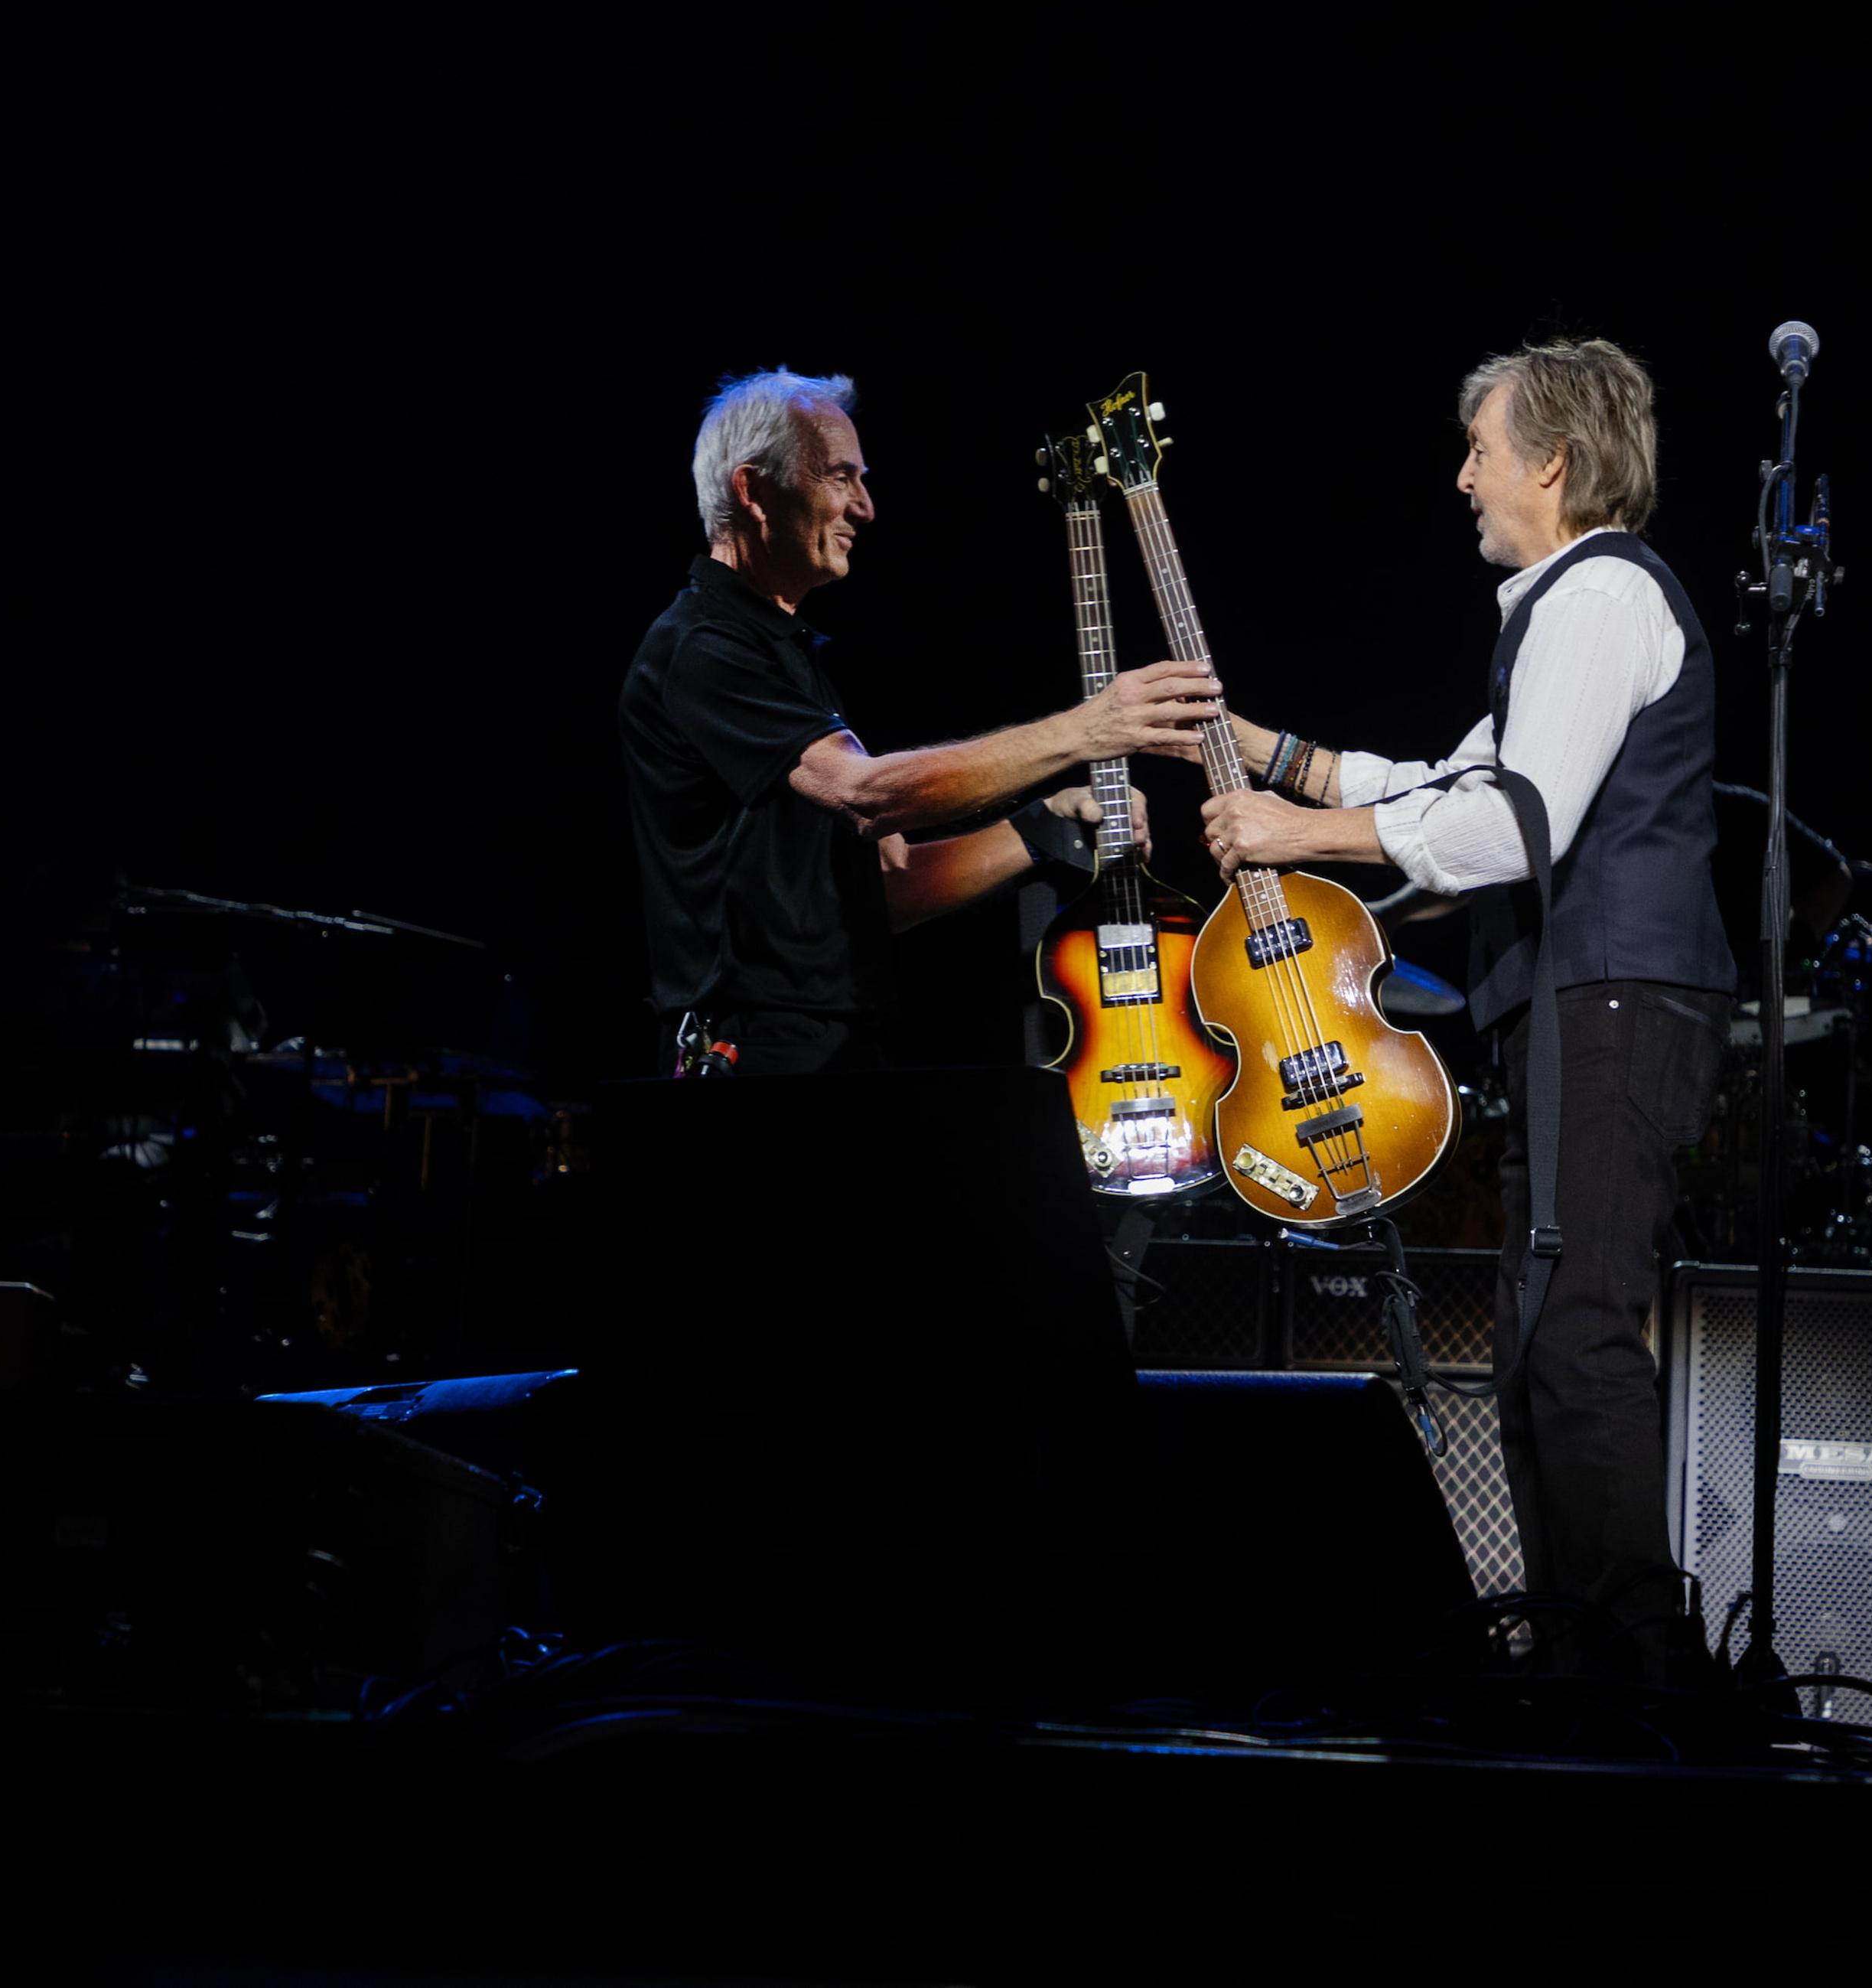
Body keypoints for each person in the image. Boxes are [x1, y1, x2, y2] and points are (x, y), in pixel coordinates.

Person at [1198, 339, 1736, 1670]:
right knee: (1536, 1346)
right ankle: (1576, 1666)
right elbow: (1449, 785)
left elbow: (1513, 825)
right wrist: (1273, 756)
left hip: (1613, 1001)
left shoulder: (1603, 596)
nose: (1463, 478)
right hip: (1577, 1000)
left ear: (1552, 463)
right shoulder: (1567, 606)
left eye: (1482, 451)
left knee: (1580, 1337)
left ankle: (1634, 1672)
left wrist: (1296, 835)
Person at [621, 369, 1219, 1075]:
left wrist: (1046, 826)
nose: (866, 508)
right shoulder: (704, 647)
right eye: (840, 477)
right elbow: (866, 793)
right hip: (752, 1051)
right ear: (753, 490)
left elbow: (891, 885)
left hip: (837, 1040)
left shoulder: (781, 653)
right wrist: (1091, 728)